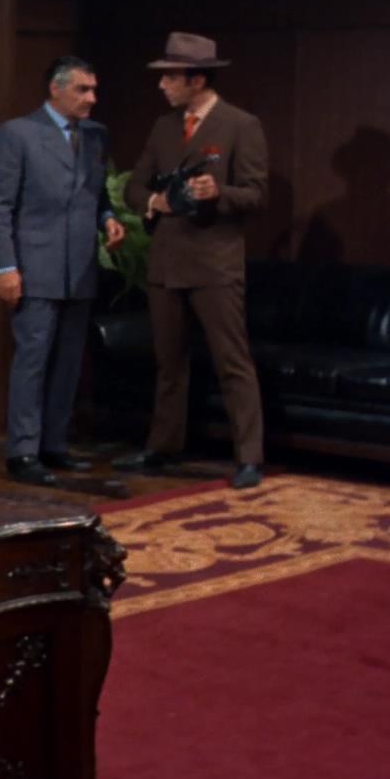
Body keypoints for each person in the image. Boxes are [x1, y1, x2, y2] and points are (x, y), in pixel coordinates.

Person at [113, 32, 267, 489]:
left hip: (215, 263)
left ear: (197, 80)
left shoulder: (241, 125)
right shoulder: (164, 126)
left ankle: (249, 457)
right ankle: (162, 446)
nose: (162, 85)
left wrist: (219, 192)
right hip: (166, 262)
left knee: (232, 361)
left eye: (171, 77)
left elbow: (256, 195)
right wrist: (154, 201)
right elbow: (133, 186)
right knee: (169, 362)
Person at [0, 56, 126, 487]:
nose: (92, 98)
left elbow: (98, 195)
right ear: (56, 89)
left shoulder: (95, 135)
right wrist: (6, 266)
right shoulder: (18, 135)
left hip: (79, 269)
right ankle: (23, 451)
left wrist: (108, 219)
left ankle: (54, 444)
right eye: (83, 89)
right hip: (34, 268)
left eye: (94, 89)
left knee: (67, 362)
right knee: (33, 359)